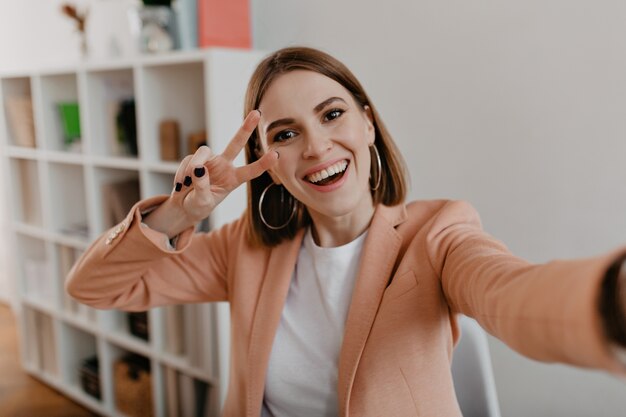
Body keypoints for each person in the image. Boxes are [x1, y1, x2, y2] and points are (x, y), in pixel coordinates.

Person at [66, 46, 626, 417]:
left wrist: (607, 299)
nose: (315, 147)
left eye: (332, 115)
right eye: (285, 135)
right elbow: (95, 288)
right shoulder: (246, 249)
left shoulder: (436, 233)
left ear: (367, 122)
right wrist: (182, 215)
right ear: (268, 162)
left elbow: (511, 294)